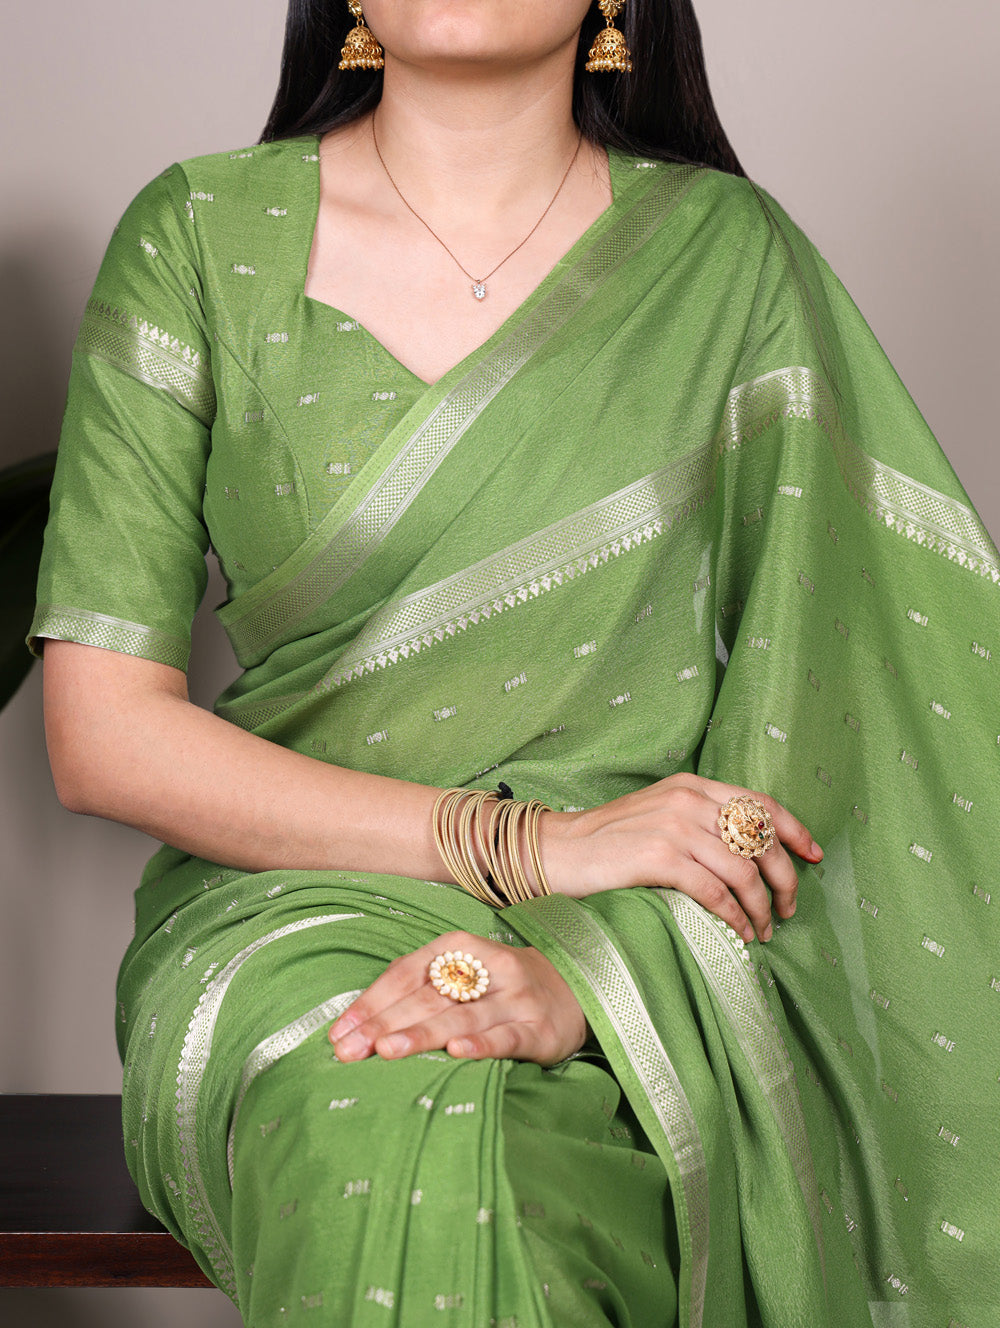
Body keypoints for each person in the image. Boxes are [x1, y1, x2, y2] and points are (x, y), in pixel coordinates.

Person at [29, 1, 998, 1324]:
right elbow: (103, 735)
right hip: (283, 919)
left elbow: (862, 713)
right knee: (388, 1121)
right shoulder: (198, 237)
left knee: (522, 1160)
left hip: (624, 936)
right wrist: (526, 849)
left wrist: (599, 973)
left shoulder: (727, 262)